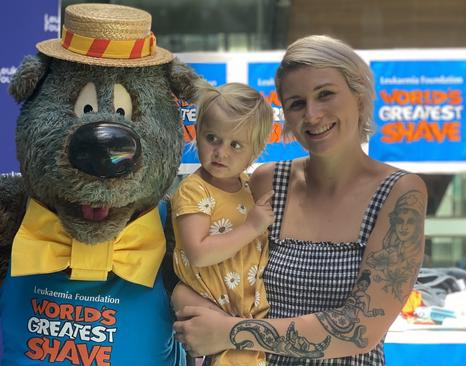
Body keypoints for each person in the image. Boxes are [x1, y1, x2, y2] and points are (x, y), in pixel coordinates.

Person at [172, 35, 428, 365]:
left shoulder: (400, 192)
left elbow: (361, 329)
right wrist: (186, 300)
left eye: (325, 94)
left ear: (359, 96)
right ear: (286, 117)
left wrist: (231, 331)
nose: (312, 114)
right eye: (296, 103)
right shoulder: (266, 181)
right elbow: (207, 263)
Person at [171, 81, 275, 365]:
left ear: (254, 153)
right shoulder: (195, 190)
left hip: (243, 307)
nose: (221, 152)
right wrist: (252, 228)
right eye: (212, 138)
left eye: (236, 144)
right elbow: (199, 252)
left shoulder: (246, 186)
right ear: (197, 134)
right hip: (207, 301)